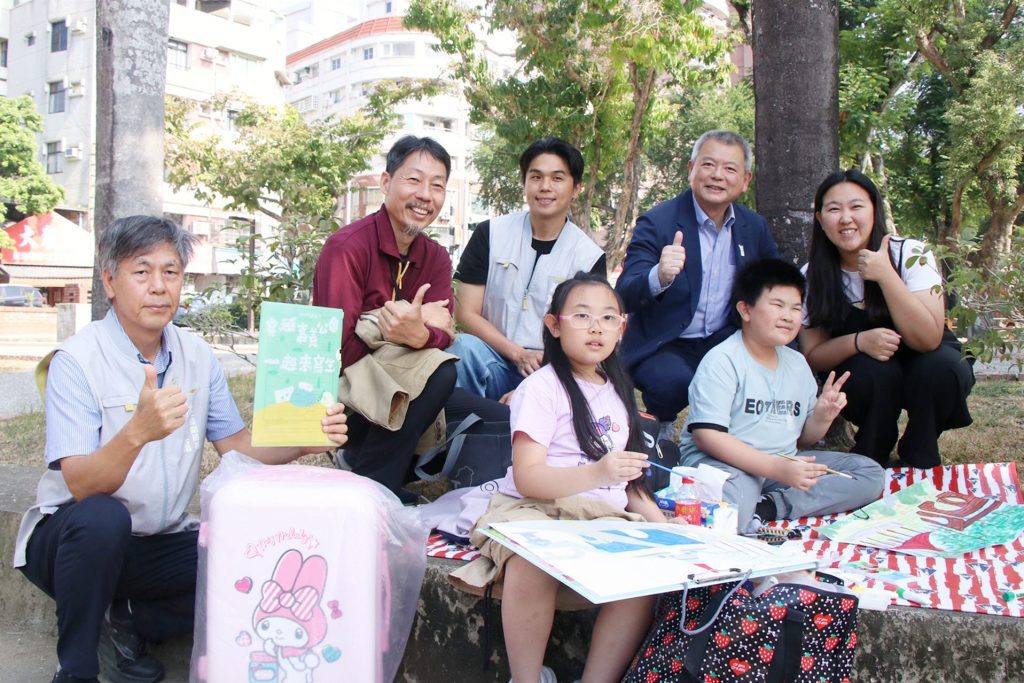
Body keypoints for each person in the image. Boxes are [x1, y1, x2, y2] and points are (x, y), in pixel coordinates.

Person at [12, 216, 350, 683]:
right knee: (103, 518)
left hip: (157, 543)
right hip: (73, 543)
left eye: (170, 273)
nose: (158, 287)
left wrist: (301, 442)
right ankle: (76, 668)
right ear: (109, 282)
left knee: (250, 566)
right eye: (141, 271)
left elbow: (235, 445)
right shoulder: (77, 360)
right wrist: (137, 432)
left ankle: (124, 619)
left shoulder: (197, 354)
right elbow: (82, 484)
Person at [449, 272, 669, 683]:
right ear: (554, 325)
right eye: (582, 316)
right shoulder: (541, 388)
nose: (596, 327)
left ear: (621, 329)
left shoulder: (619, 388)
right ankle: (527, 678)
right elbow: (530, 478)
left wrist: (666, 529)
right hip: (538, 509)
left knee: (648, 574)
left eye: (608, 318)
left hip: (601, 514)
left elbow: (629, 480)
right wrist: (598, 472)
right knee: (532, 561)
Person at [313, 135, 507, 501]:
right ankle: (372, 487)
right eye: (414, 180)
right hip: (353, 399)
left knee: (501, 422)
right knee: (440, 371)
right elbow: (336, 350)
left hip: (412, 393)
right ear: (386, 183)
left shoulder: (434, 256)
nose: (425, 195)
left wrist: (421, 336)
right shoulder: (347, 248)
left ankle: (392, 465)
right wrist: (403, 333)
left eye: (437, 186)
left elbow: (446, 333)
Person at [677, 259, 884, 532]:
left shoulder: (798, 365)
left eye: (796, 308)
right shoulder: (723, 360)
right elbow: (706, 436)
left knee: (869, 474)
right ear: (745, 309)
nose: (788, 316)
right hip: (726, 464)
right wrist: (773, 468)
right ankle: (749, 510)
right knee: (729, 512)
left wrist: (822, 416)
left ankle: (769, 507)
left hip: (783, 463)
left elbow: (803, 438)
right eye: (777, 305)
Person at [799, 170, 975, 467]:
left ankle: (920, 449)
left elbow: (929, 338)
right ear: (819, 219)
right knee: (869, 373)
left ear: (874, 210)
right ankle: (873, 451)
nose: (845, 218)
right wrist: (859, 341)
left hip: (926, 357)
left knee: (942, 368)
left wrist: (885, 276)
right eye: (833, 209)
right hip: (873, 370)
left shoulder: (911, 254)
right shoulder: (812, 276)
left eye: (856, 206)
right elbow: (814, 356)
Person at [616, 130, 779, 441]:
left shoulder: (753, 227)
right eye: (708, 165)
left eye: (730, 169)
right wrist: (660, 276)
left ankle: (745, 437)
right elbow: (624, 292)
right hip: (667, 342)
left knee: (766, 361)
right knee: (672, 381)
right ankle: (660, 431)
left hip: (724, 338)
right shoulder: (658, 222)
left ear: (745, 180)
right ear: (691, 170)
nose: (717, 175)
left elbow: (774, 282)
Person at [449, 137, 605, 402]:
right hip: (491, 356)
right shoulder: (491, 234)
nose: (545, 187)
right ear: (525, 182)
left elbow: (587, 333)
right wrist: (517, 353)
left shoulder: (588, 257)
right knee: (462, 349)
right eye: (536, 177)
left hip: (550, 369)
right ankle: (456, 435)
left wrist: (537, 379)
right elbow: (464, 313)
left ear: (576, 188)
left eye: (557, 178)